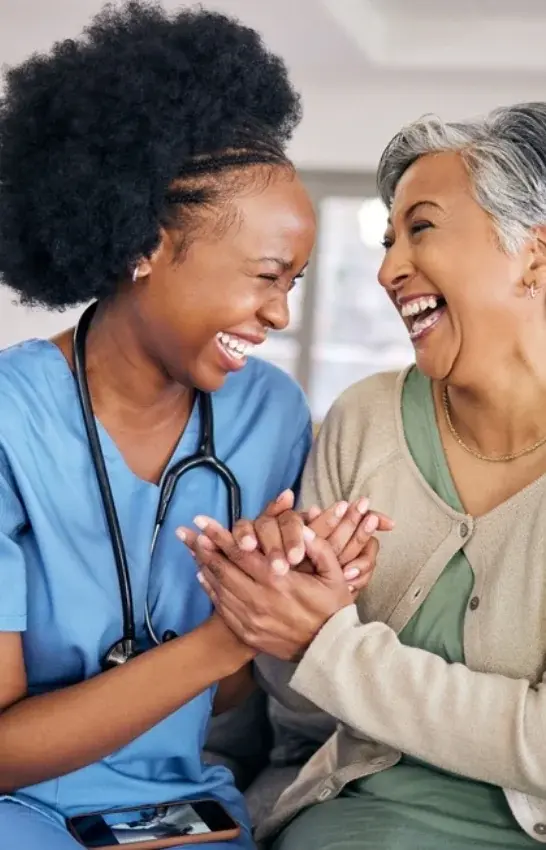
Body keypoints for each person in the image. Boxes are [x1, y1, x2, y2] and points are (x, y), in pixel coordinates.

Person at [0, 3, 389, 848]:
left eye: (296, 281)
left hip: (186, 811)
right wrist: (229, 633)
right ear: (145, 242)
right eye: (265, 275)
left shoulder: (269, 414)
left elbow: (230, 701)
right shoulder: (7, 424)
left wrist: (288, 588)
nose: (281, 313)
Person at [186, 102, 546, 849]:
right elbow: (304, 726)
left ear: (535, 256)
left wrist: (329, 639)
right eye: (387, 240)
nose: (386, 270)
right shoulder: (367, 418)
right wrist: (287, 587)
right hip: (353, 818)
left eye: (421, 228)